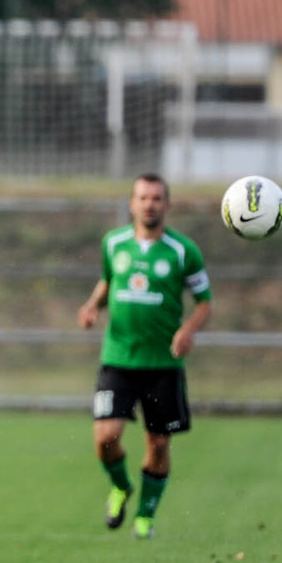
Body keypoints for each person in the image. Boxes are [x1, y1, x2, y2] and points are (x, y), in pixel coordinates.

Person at [77, 174, 212, 540]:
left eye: (156, 198)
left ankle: (145, 516)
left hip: (163, 365)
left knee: (158, 444)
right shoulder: (113, 243)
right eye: (143, 197)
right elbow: (108, 281)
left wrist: (188, 330)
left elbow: (205, 303)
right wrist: (92, 306)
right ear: (132, 203)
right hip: (118, 358)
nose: (149, 204)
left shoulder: (183, 251)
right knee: (105, 438)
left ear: (167, 204)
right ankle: (121, 486)